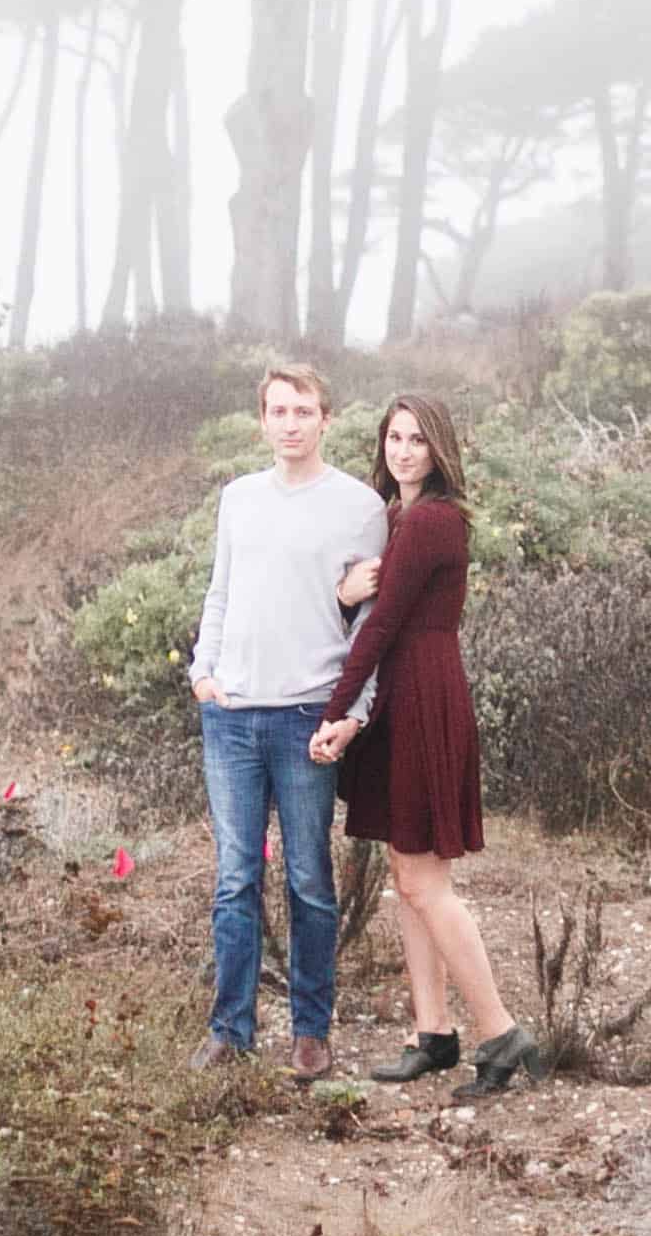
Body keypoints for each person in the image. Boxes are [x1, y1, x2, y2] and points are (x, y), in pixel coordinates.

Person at [310, 392, 537, 1094]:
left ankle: (500, 1033)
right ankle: (432, 1031)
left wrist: (336, 706)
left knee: (424, 879)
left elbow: (380, 628)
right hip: (402, 695)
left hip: (420, 696)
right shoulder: (397, 517)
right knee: (407, 880)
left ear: (439, 450)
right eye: (393, 437)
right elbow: (365, 611)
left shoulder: (431, 520)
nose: (402, 450)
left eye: (416, 439)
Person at [186, 361, 386, 1083]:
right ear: (263, 420)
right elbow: (221, 589)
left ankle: (311, 1032)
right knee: (235, 879)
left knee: (308, 879)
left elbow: (370, 625)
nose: (291, 422)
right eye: (278, 410)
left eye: (304, 409)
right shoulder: (238, 499)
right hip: (232, 717)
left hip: (307, 715)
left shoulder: (361, 507)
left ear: (326, 419)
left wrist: (354, 713)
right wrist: (202, 674)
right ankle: (230, 1030)